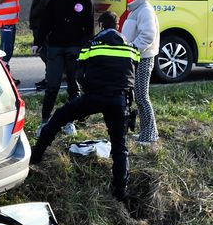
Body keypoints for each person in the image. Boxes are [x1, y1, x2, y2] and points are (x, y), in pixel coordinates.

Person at [30, 11, 138, 200]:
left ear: (101, 26)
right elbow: (132, 76)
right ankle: (121, 192)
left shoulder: (92, 44)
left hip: (94, 96)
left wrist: (88, 95)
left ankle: (36, 156)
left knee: (59, 117)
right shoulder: (131, 48)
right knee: (120, 148)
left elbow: (80, 75)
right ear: (117, 26)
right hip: (119, 100)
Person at [34, 0, 94, 135]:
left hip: (75, 48)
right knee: (52, 86)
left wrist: (86, 47)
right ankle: (45, 121)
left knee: (73, 87)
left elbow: (89, 29)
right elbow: (46, 23)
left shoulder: (85, 0)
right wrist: (37, 42)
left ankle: (70, 122)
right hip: (55, 48)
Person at [120, 0, 160, 145]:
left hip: (143, 58)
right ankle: (146, 133)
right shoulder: (137, 8)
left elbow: (148, 34)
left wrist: (133, 49)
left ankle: (150, 135)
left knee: (142, 96)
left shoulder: (144, 10)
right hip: (137, 57)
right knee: (140, 96)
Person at [27, 0, 56, 89]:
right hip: (42, 25)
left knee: (46, 54)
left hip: (43, 26)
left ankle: (49, 80)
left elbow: (44, 7)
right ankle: (49, 78)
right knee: (46, 54)